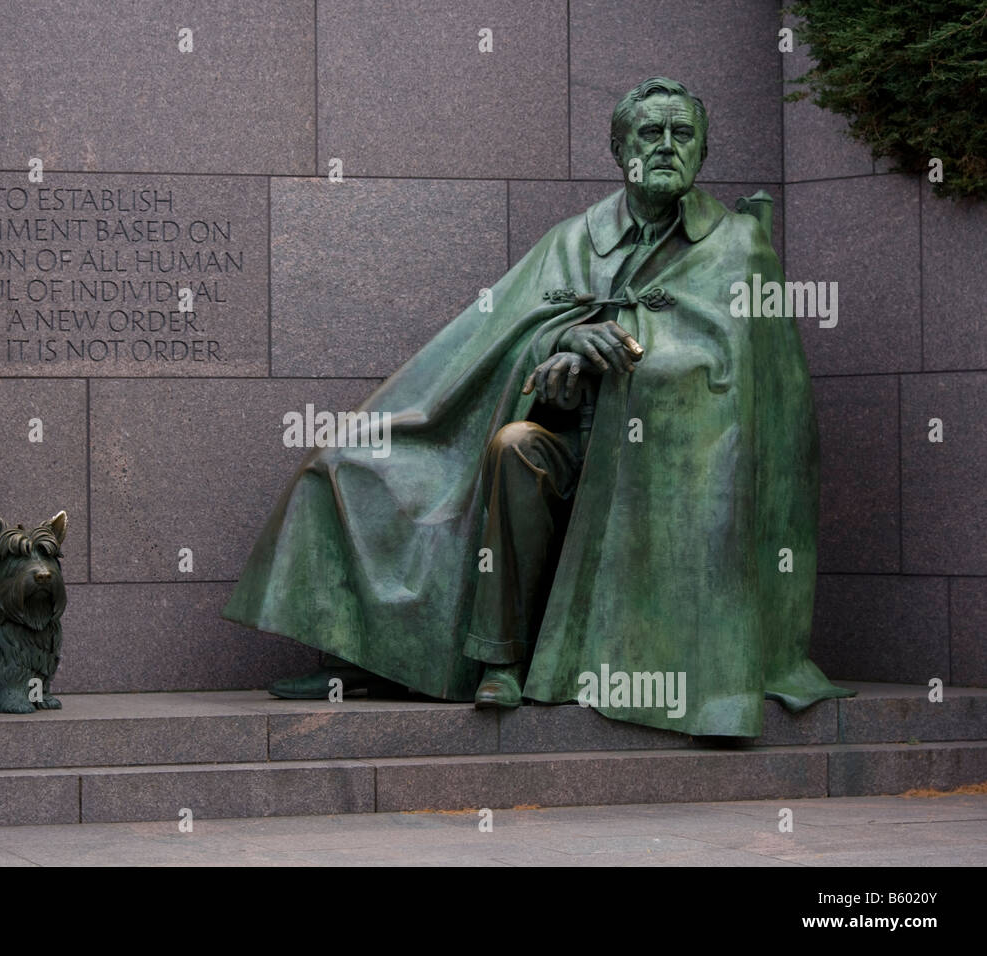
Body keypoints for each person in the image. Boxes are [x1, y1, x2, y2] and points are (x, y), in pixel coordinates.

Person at [223, 77, 855, 738]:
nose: (666, 146)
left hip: (665, 467)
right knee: (382, 460)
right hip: (568, 440)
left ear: (701, 149)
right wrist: (553, 342)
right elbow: (496, 337)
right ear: (620, 150)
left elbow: (734, 381)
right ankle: (436, 661)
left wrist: (609, 353)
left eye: (682, 134)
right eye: (650, 133)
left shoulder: (735, 246)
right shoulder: (574, 240)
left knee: (516, 449)